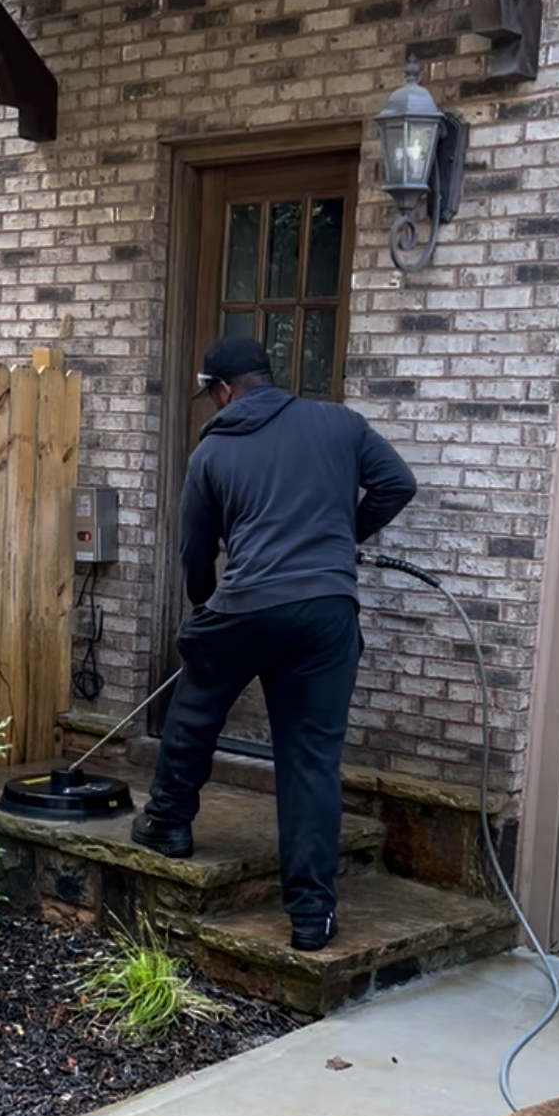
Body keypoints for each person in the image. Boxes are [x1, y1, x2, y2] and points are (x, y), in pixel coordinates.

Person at [132, 334, 417, 952]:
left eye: (212, 395)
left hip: (248, 604)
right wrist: (343, 538)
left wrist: (204, 603)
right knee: (310, 759)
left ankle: (168, 822)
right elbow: (398, 484)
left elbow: (196, 551)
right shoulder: (340, 423)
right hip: (328, 611)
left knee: (196, 707)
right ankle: (311, 916)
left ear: (223, 389)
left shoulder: (212, 453)